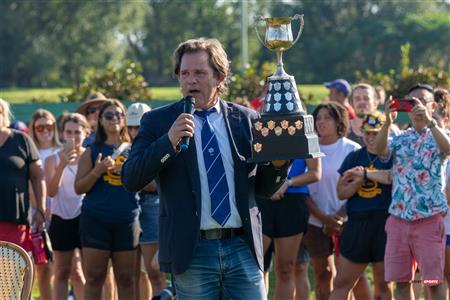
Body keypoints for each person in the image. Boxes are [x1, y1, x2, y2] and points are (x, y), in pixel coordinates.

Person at [122, 37, 289, 299]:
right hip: (192, 251)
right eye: (185, 73)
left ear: (220, 77)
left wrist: (279, 165)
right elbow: (131, 178)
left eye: (200, 73)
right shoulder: (157, 121)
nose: (190, 80)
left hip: (242, 247)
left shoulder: (247, 119)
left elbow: (265, 188)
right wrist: (168, 142)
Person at [375, 83, 450, 299]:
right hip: (399, 219)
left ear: (433, 106)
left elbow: (448, 149)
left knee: (433, 283)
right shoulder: (399, 137)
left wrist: (430, 123)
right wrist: (387, 123)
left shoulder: (440, 134)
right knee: (400, 283)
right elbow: (380, 150)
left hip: (428, 219)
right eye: (411, 102)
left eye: (421, 102)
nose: (416, 107)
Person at [303, 102, 369, 300]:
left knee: (351, 276)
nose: (321, 122)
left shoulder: (352, 149)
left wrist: (338, 216)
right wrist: (323, 217)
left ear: (339, 121)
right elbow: (301, 189)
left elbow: (360, 188)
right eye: (318, 118)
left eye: (327, 118)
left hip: (348, 221)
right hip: (314, 221)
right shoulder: (306, 149)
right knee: (323, 274)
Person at [74, 99, 139, 299]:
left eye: (119, 115)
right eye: (109, 115)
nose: (114, 119)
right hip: (96, 220)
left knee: (127, 278)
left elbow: (151, 185)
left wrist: (129, 171)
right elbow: (79, 188)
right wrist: (98, 171)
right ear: (100, 121)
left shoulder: (134, 149)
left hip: (126, 220)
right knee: (94, 277)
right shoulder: (91, 151)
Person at [330, 112, 393, 300]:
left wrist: (365, 174)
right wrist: (357, 182)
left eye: (376, 133)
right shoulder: (354, 157)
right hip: (357, 223)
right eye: (367, 133)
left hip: (384, 223)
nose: (371, 138)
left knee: (383, 284)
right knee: (341, 283)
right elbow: (341, 193)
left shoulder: (392, 156)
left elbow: (393, 178)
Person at [258, 157, 320, 299]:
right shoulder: (258, 132)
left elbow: (316, 172)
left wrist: (288, 183)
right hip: (260, 200)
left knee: (286, 269)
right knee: (255, 267)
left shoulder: (307, 133)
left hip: (292, 203)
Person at [44, 113, 90, 300]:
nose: (72, 137)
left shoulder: (91, 156)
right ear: (62, 134)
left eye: (77, 132)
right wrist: (62, 164)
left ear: (86, 133)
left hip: (87, 218)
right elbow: (51, 191)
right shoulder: (52, 160)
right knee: (62, 271)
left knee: (86, 273)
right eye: (68, 132)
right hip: (61, 219)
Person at [126, 102, 168, 299]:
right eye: (131, 127)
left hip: (151, 207)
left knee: (155, 273)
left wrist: (129, 177)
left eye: (138, 127)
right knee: (130, 276)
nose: (134, 132)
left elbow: (153, 185)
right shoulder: (125, 148)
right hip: (128, 209)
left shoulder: (158, 147)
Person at [0, 98, 46, 251]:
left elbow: (38, 176)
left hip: (15, 219)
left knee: (12, 272)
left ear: (4, 114)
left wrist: (40, 209)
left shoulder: (21, 139)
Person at [29, 109, 62, 300]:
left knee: (72, 268)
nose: (45, 130)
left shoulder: (62, 149)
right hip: (37, 213)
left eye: (48, 126)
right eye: (39, 127)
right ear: (34, 129)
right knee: (43, 268)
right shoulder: (29, 149)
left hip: (62, 212)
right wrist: (40, 209)